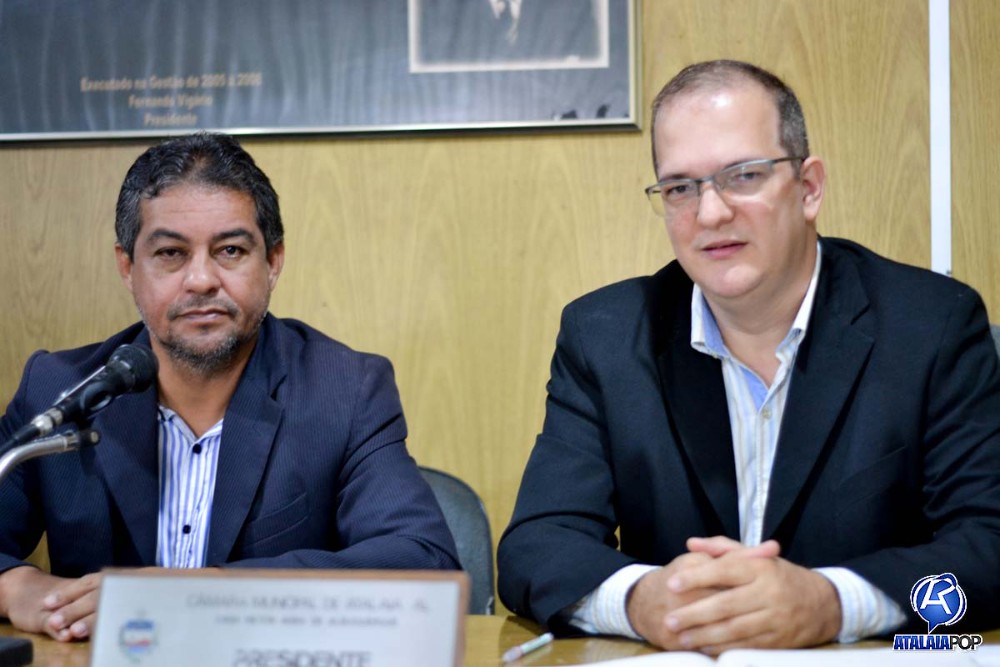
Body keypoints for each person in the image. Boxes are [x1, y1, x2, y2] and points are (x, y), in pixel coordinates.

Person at [497, 59, 1000, 652]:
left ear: (809, 188)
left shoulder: (930, 326)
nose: (710, 213)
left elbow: (989, 543)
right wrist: (640, 599)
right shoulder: (605, 337)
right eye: (680, 188)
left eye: (743, 176)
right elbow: (536, 546)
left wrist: (833, 603)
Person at [0, 132, 459, 642]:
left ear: (273, 262)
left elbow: (423, 561)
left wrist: (202, 594)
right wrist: (17, 587)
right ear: (128, 268)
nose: (201, 280)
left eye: (231, 250)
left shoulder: (345, 392)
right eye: (171, 253)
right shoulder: (62, 390)